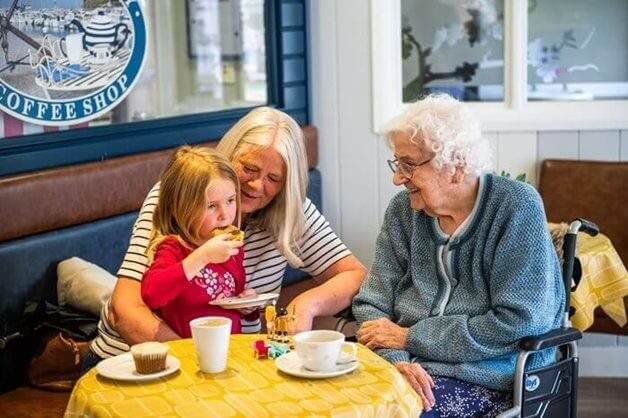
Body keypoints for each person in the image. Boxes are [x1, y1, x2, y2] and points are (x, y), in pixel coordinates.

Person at [87, 107, 367, 364]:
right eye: (249, 168)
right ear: (228, 155)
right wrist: (198, 359)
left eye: (273, 179)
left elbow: (355, 275)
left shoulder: (291, 209)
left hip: (228, 364)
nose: (257, 185)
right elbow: (126, 308)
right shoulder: (177, 195)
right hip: (138, 359)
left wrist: (307, 304)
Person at [352, 94, 564, 417]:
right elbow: (371, 303)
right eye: (397, 164)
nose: (397, 178)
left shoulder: (516, 208)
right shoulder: (402, 212)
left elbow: (519, 321)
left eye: (408, 165)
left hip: (487, 377)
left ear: (455, 166)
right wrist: (398, 360)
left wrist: (411, 337)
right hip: (403, 366)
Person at [141, 146, 257, 337]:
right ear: (183, 207)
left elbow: (233, 300)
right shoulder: (173, 248)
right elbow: (151, 294)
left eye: (230, 200)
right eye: (211, 206)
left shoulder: (231, 247)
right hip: (189, 356)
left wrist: (248, 307)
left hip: (230, 351)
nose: (225, 214)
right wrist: (202, 256)